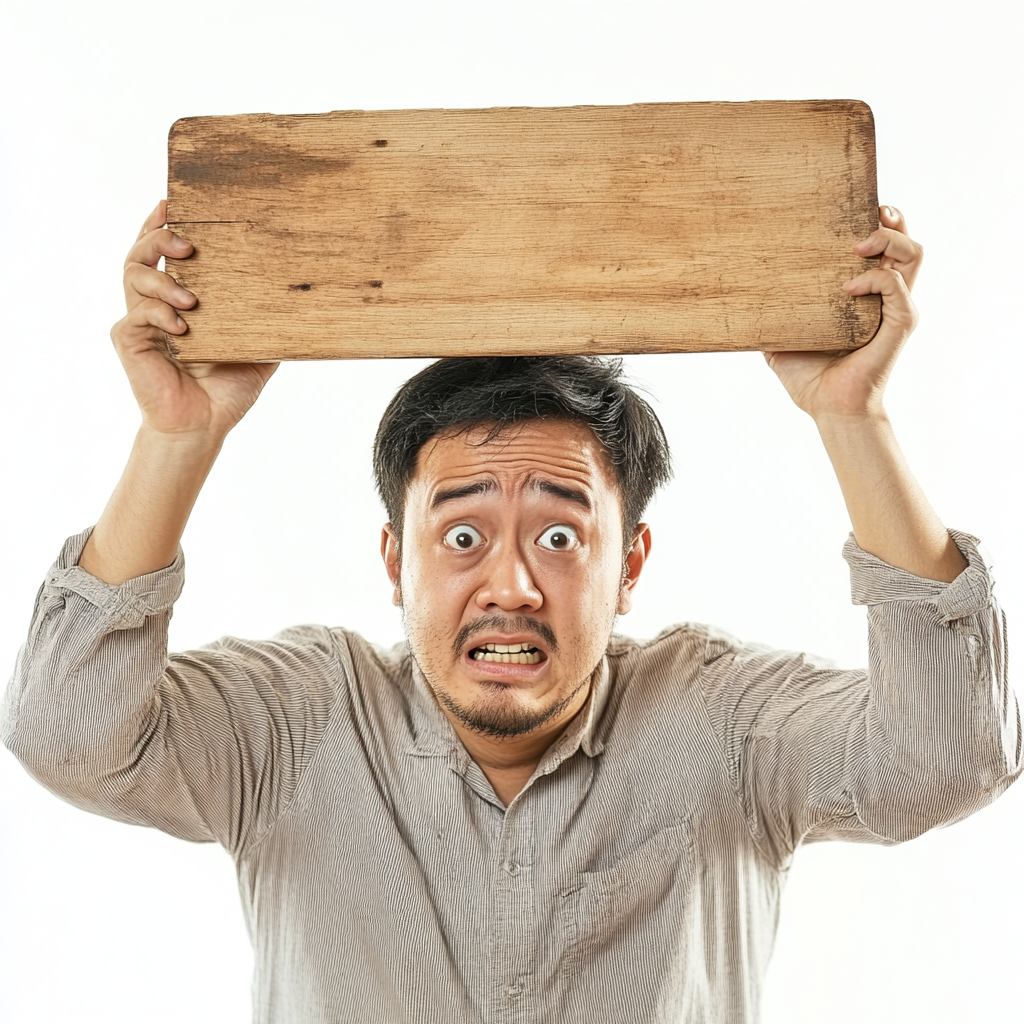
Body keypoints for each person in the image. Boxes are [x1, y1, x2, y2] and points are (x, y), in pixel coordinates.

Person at [2, 200, 1018, 1024]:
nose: (513, 585)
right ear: (394, 561)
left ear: (631, 568)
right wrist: (178, 436)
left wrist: (856, 417)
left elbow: (949, 751)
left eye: (563, 535)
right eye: (461, 535)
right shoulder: (302, 716)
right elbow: (67, 734)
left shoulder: (719, 718)